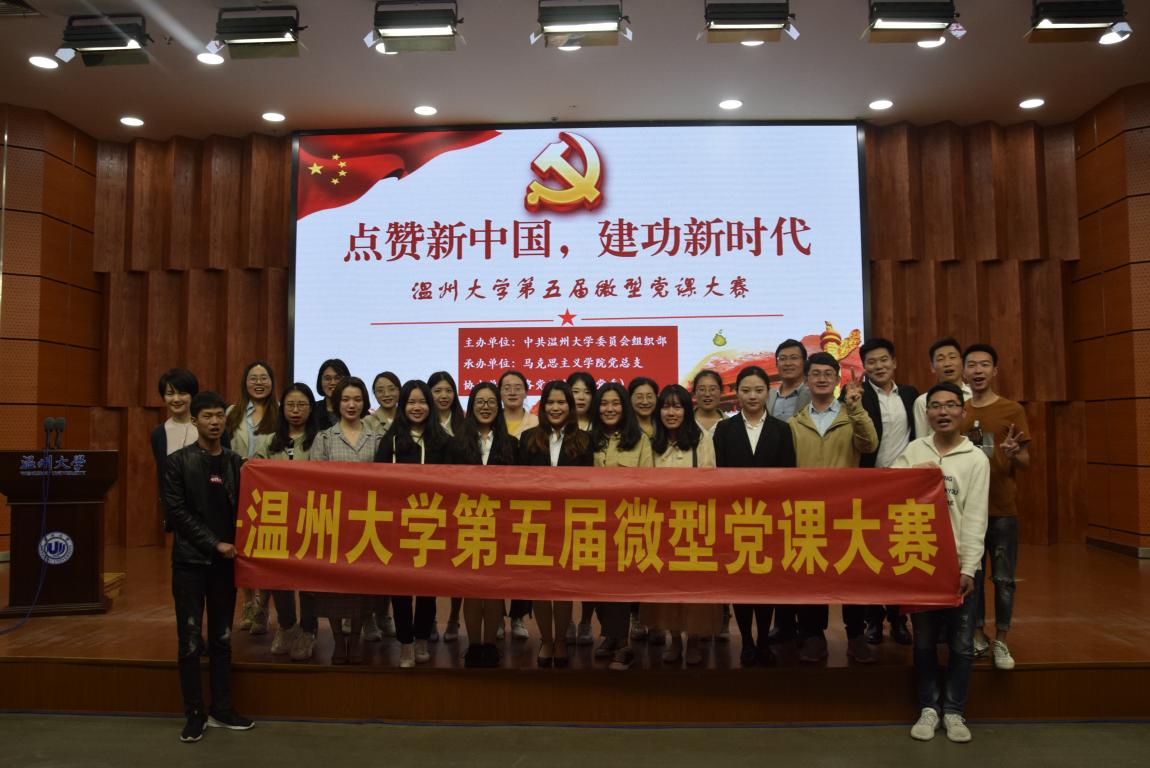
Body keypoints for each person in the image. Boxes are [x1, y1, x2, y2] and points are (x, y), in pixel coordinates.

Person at [894, 381, 990, 744]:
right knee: (924, 642)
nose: (943, 412)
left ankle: (954, 711)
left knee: (962, 643)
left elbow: (976, 517)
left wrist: (968, 567)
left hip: (958, 566)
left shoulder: (975, 459)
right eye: (935, 406)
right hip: (920, 561)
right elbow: (888, 492)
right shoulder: (913, 451)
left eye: (950, 405)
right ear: (927, 412)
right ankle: (928, 708)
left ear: (963, 412)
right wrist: (912, 474)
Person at [163, 391, 253, 742]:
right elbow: (176, 512)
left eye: (219, 416)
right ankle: (194, 713)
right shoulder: (177, 462)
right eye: (208, 416)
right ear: (195, 421)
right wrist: (214, 543)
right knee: (189, 641)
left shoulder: (235, 462)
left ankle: (222, 709)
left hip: (225, 565)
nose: (215, 422)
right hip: (190, 563)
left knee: (222, 638)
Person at [787, 352, 879, 665]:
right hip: (807, 512)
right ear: (807, 380)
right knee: (810, 575)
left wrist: (856, 408)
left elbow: (869, 445)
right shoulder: (794, 424)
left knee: (852, 573)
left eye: (828, 373)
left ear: (838, 379)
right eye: (816, 373)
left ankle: (856, 635)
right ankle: (813, 635)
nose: (822, 378)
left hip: (845, 511)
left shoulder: (850, 415)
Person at [713, 365, 796, 665]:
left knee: (766, 583)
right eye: (746, 390)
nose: (752, 396)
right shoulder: (724, 429)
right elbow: (718, 475)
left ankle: (763, 640)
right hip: (735, 517)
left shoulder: (781, 429)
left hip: (769, 518)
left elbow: (788, 475)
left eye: (758, 390)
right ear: (737, 393)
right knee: (740, 582)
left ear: (767, 393)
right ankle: (746, 641)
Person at [960, 343, 1030, 670]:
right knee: (971, 578)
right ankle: (977, 635)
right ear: (964, 372)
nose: (978, 370)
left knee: (1003, 579)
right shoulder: (959, 411)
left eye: (984, 364)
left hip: (1002, 509)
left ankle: (1001, 640)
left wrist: (1015, 453)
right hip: (967, 512)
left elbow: (1026, 461)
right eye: (972, 365)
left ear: (995, 371)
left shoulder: (1011, 410)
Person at [644, 383, 722, 666]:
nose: (671, 412)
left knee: (694, 588)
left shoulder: (701, 440)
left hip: (694, 525)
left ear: (687, 410)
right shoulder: (651, 442)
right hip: (661, 527)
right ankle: (674, 639)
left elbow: (711, 481)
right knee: (667, 588)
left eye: (677, 407)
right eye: (666, 407)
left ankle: (695, 641)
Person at [375, 380, 450, 667]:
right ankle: (405, 643)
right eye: (411, 402)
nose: (417, 407)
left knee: (428, 586)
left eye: (422, 402)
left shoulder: (443, 441)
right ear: (402, 406)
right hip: (398, 525)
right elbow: (377, 482)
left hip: (433, 524)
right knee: (401, 587)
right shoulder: (391, 441)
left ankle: (421, 639)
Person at [519, 380, 594, 668]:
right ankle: (546, 640)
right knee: (539, 586)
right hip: (535, 523)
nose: (555, 407)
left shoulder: (584, 441)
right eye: (550, 402)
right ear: (543, 407)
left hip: (568, 523)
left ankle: (561, 639)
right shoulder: (528, 439)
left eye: (561, 402)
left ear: (570, 407)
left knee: (562, 586)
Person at [446, 381, 521, 667]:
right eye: (480, 402)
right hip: (467, 523)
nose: (486, 407)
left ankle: (489, 644)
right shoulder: (456, 444)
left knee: (493, 588)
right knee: (471, 589)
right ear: (471, 406)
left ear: (498, 408)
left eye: (491, 402)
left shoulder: (511, 444)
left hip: (500, 525)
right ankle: (474, 644)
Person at [311, 376, 384, 664]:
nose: (351, 405)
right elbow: (314, 482)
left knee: (362, 586)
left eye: (357, 399)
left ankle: (354, 638)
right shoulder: (324, 438)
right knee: (334, 586)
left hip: (367, 523)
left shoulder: (377, 438)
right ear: (337, 403)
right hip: (335, 522)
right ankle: (338, 641)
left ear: (364, 403)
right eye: (345, 399)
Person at [856, 338, 919, 646]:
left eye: (883, 360)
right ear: (864, 367)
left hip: (905, 486)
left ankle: (898, 618)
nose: (878, 366)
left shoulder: (910, 395)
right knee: (869, 554)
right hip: (870, 486)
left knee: (898, 553)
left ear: (894, 362)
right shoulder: (856, 396)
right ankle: (872, 619)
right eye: (871, 362)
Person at [252, 384, 321, 661]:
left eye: (301, 405)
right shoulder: (268, 441)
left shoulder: (320, 440)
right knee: (278, 574)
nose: (295, 411)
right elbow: (255, 474)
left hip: (311, 517)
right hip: (277, 519)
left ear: (311, 409)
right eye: (290, 405)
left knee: (310, 576)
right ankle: (287, 625)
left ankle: (308, 630)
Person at [591, 381, 655, 670]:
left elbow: (649, 482)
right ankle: (611, 636)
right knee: (596, 586)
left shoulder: (639, 440)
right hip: (592, 523)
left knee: (620, 584)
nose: (609, 408)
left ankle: (623, 645)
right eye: (604, 403)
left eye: (615, 403)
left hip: (626, 522)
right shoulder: (588, 439)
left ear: (624, 407)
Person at [224, 360, 278, 635]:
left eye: (264, 378)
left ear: (272, 382)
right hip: (237, 488)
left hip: (270, 490)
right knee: (242, 546)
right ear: (245, 382)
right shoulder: (231, 413)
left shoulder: (280, 412)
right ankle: (247, 602)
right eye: (253, 378)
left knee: (266, 546)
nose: (259, 383)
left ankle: (263, 607)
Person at [500, 369, 539, 640]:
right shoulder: (490, 419)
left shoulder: (536, 423)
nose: (512, 391)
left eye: (517, 387)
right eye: (507, 387)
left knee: (524, 562)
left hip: (527, 502)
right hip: (495, 503)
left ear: (526, 391)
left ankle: (517, 617)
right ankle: (495, 615)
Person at [427, 370, 466, 641]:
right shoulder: (423, 423)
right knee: (430, 566)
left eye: (448, 390)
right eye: (438, 390)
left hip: (459, 505)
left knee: (459, 565)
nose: (443, 395)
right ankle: (429, 620)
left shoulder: (464, 424)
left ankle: (453, 618)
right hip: (430, 506)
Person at [565, 370, 598, 646]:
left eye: (587, 392)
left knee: (590, 569)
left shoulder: (600, 425)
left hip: (593, 508)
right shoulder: (560, 424)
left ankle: (586, 621)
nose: (581, 397)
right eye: (575, 392)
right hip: (563, 509)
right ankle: (566, 621)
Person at [151, 368, 200, 531]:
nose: (176, 399)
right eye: (170, 394)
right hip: (176, 514)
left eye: (182, 393)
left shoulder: (208, 427)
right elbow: (163, 475)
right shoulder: (158, 434)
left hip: (208, 511)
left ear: (193, 395)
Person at [912, 338, 971, 439]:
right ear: (932, 367)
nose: (947, 363)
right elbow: (921, 440)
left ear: (962, 362)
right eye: (940, 359)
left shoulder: (974, 396)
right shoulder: (922, 402)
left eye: (952, 357)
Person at [767, 339, 811, 421]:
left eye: (794, 358)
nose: (788, 363)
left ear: (804, 362)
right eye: (783, 359)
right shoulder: (767, 396)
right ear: (777, 364)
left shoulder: (814, 395)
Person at [500, 370, 538, 439]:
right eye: (507, 388)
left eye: (517, 389)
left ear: (526, 393)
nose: (512, 393)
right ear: (499, 393)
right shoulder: (492, 422)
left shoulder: (536, 423)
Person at [314, 358, 351, 430]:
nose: (332, 383)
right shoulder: (312, 411)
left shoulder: (358, 410)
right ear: (320, 382)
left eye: (337, 378)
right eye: (328, 379)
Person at [364, 371, 401, 436]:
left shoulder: (408, 419)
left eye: (391, 389)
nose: (386, 394)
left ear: (399, 391)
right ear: (375, 394)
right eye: (380, 391)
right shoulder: (367, 422)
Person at [692, 369, 726, 438]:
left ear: (721, 392)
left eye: (712, 389)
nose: (707, 394)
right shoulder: (685, 422)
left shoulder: (731, 424)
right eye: (702, 389)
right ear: (694, 393)